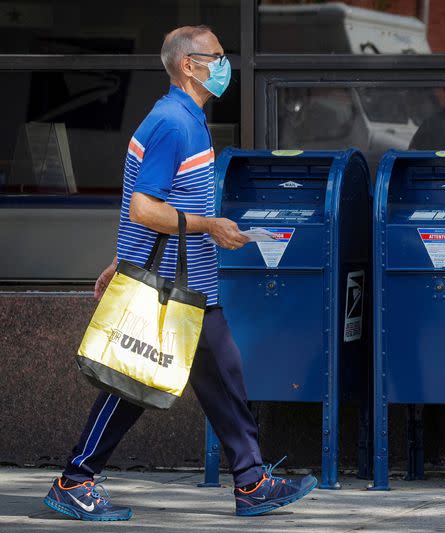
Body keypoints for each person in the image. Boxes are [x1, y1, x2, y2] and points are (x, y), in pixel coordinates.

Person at [42, 26, 317, 521]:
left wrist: (123, 255)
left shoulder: (183, 118)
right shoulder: (175, 123)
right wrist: (208, 225)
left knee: (224, 377)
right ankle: (74, 481)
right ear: (189, 65)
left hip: (189, 285)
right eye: (217, 56)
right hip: (169, 287)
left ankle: (252, 482)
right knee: (130, 383)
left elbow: (138, 201)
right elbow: (146, 207)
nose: (224, 64)